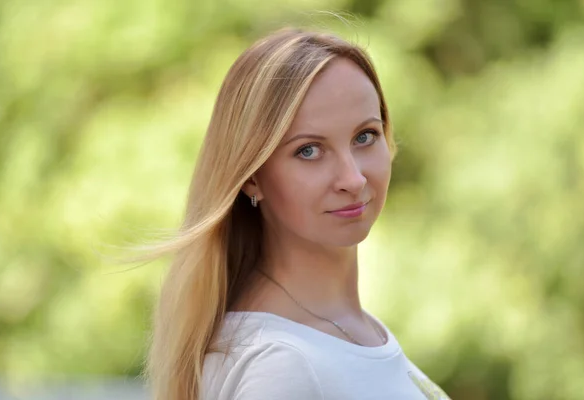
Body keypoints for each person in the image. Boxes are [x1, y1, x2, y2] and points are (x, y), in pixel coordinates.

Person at [145, 27, 451, 400]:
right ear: (252, 177)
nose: (353, 179)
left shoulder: (348, 332)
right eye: (309, 150)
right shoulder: (284, 366)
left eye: (365, 136)